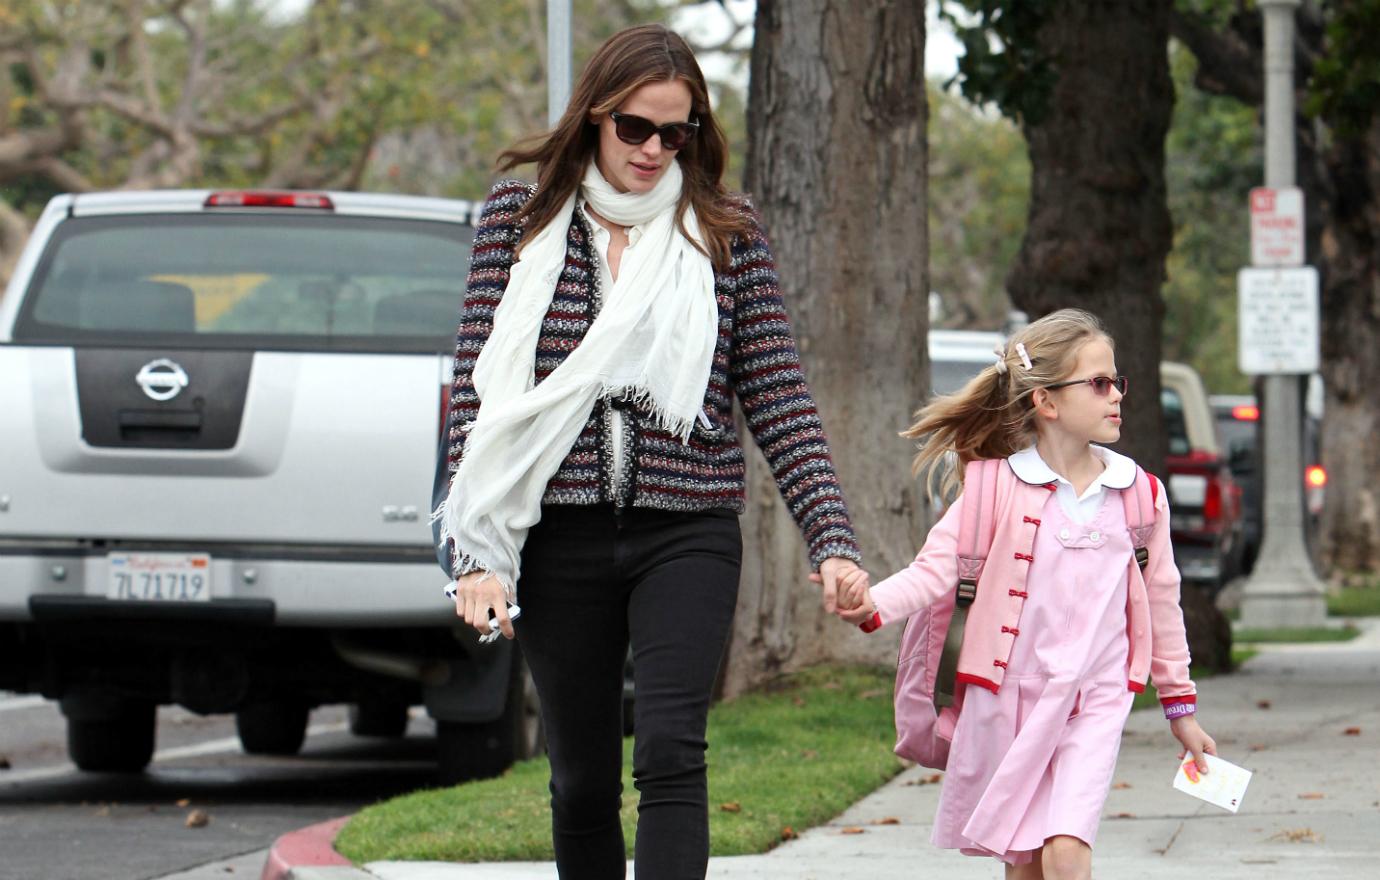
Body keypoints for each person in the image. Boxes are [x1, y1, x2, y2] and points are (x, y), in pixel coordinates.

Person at [434, 23, 868, 879]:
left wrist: (834, 539)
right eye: (636, 127)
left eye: (677, 132)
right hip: (557, 534)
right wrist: (473, 557)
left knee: (672, 749)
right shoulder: (516, 222)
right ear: (595, 115)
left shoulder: (725, 232)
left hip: (688, 528)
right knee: (584, 778)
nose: (654, 148)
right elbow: (476, 397)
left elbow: (777, 396)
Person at [837, 309, 1216, 880]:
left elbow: (1163, 603)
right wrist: (870, 604)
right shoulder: (994, 489)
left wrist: (1179, 706)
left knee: (1066, 854)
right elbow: (931, 571)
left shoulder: (1140, 496)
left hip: (1096, 698)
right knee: (1026, 861)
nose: (1116, 395)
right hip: (1009, 698)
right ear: (1047, 402)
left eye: (1117, 381)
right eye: (1099, 383)